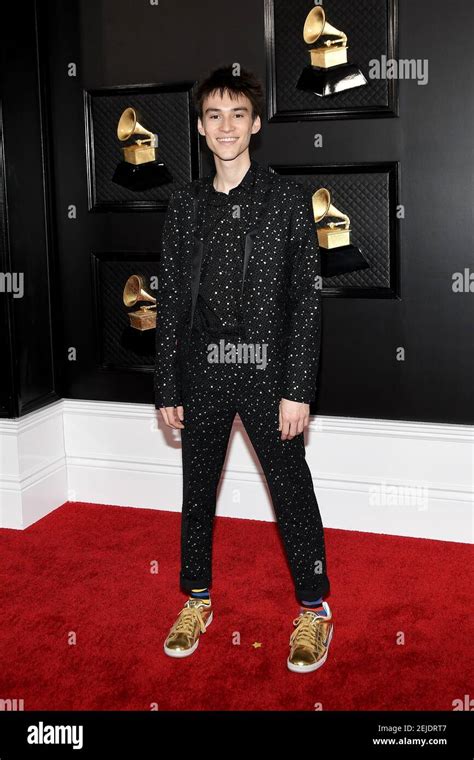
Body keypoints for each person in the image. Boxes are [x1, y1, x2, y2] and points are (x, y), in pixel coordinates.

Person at [154, 65, 333, 673]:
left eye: (237, 115)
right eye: (213, 116)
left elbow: (307, 298)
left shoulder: (284, 200)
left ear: (255, 125)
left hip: (268, 370)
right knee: (196, 493)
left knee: (291, 491)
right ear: (202, 129)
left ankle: (314, 609)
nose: (225, 126)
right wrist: (167, 383)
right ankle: (197, 600)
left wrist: (297, 388)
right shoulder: (184, 204)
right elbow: (171, 298)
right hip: (201, 369)